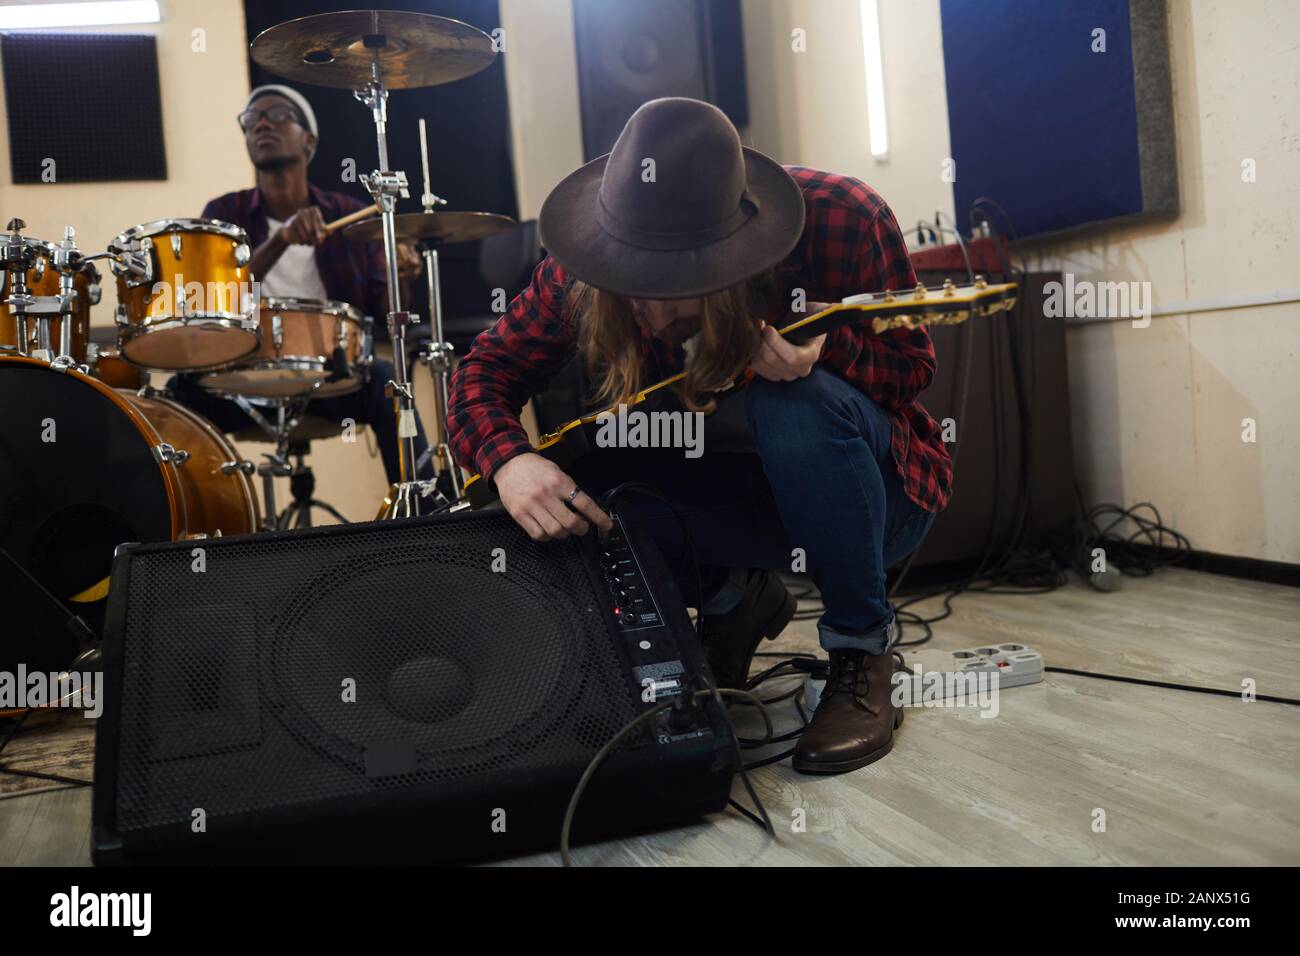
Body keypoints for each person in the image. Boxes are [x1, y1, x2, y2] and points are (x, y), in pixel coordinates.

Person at [447, 98, 951, 775]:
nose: (653, 317)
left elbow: (913, 368)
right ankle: (731, 598)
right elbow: (483, 372)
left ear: (734, 262)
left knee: (795, 402)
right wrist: (510, 463)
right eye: (634, 284)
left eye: (676, 288)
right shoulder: (581, 268)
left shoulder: (846, 217)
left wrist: (826, 352)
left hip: (874, 503)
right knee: (587, 476)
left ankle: (863, 652)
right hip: (732, 510)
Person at [168, 84, 429, 487]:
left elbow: (387, 312)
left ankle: (425, 517)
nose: (263, 124)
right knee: (178, 395)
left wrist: (403, 275)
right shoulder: (222, 214)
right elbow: (213, 302)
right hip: (241, 378)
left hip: (330, 379)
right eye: (252, 120)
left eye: (279, 115)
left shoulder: (347, 215)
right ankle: (194, 533)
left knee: (387, 381)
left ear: (309, 141)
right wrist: (280, 240)